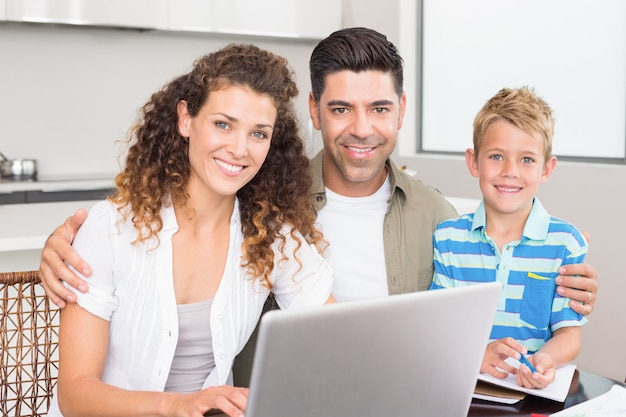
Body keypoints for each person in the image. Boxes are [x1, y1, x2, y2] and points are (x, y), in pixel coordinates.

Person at [38, 27, 599, 381]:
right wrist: (61, 246)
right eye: (340, 109)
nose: (361, 129)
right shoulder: (267, 203)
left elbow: (478, 288)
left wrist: (561, 278)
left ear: (402, 110)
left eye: (379, 108)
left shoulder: (440, 218)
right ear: (312, 110)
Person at [46, 44, 333, 417]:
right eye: (223, 124)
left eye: (258, 134)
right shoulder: (111, 229)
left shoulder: (272, 237)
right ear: (186, 119)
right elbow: (75, 395)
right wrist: (179, 406)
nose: (239, 149)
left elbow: (336, 337)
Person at [430, 86, 587, 389]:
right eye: (497, 156)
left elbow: (569, 335)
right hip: (462, 388)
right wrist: (476, 354)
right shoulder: (447, 238)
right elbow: (439, 328)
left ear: (547, 168)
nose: (510, 171)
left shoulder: (565, 243)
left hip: (528, 394)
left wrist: (545, 360)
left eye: (527, 159)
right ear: (473, 161)